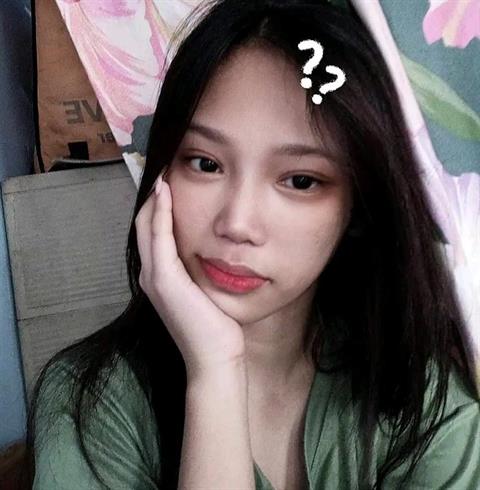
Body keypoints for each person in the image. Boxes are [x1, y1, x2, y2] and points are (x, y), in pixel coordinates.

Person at [25, 0, 480, 489]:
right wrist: (215, 371)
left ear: (358, 206)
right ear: (161, 171)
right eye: (205, 163)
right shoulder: (87, 402)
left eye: (300, 181)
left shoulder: (424, 399)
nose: (237, 223)